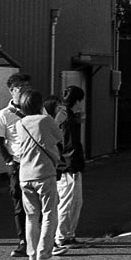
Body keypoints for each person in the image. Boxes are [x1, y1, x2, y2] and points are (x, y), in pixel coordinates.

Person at [16, 89, 66, 260]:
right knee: (49, 213)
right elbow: (58, 137)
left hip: (25, 175)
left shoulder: (20, 123)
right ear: (40, 104)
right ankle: (44, 254)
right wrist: (57, 121)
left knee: (31, 216)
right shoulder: (45, 120)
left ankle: (32, 254)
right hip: (44, 173)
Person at [0, 73, 32, 258]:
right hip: (17, 164)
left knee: (41, 204)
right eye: (21, 88)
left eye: (27, 87)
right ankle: (23, 240)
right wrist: (9, 161)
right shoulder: (4, 114)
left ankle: (41, 240)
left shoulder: (38, 110)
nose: (25, 91)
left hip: (37, 164)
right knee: (19, 204)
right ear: (12, 91)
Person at [54, 85, 86, 248]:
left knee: (74, 202)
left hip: (67, 165)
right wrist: (73, 165)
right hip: (68, 167)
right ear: (77, 100)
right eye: (81, 100)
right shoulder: (67, 119)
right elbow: (69, 145)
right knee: (68, 202)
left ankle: (68, 235)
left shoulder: (63, 115)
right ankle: (62, 236)